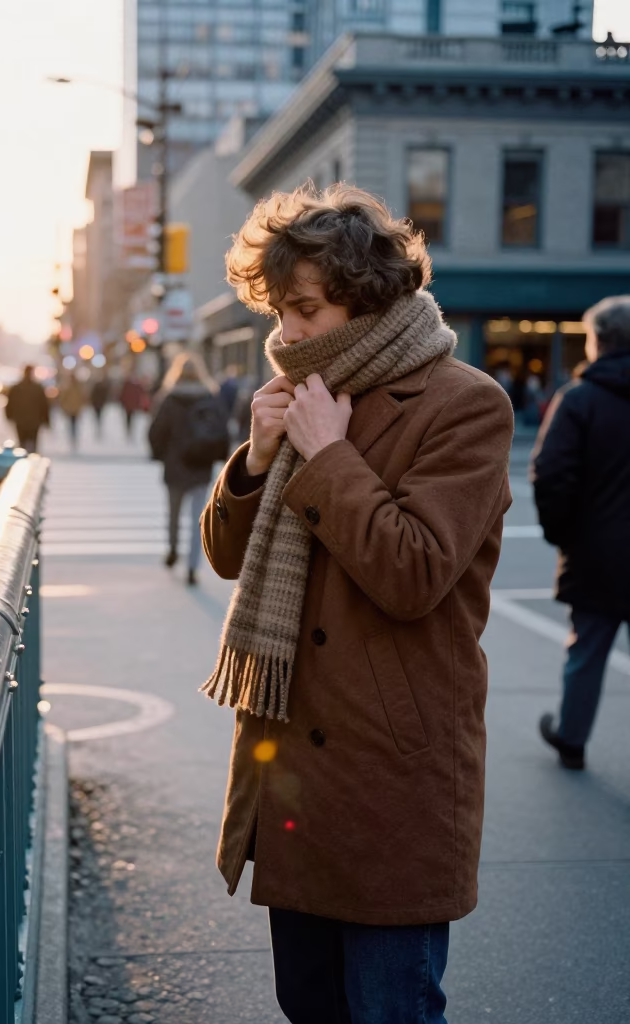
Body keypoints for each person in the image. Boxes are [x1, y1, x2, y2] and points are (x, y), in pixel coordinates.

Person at [199, 185, 513, 1023]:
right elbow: (229, 559)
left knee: (390, 1010)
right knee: (309, 1005)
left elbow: (414, 573)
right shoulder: (300, 397)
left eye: (304, 309)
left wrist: (329, 455)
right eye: (279, 310)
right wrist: (258, 460)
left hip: (390, 776)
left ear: (366, 296)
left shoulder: (465, 404)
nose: (285, 333)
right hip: (295, 772)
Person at [531, 295, 630, 771]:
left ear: (597, 342)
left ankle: (572, 738)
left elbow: (551, 474)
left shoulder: (580, 400)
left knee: (587, 649)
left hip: (599, 551)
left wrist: (563, 534)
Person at [148, 352, 228, 586]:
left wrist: (160, 455)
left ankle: (172, 548)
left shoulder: (169, 398)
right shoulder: (210, 396)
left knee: (173, 514)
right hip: (201, 465)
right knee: (198, 519)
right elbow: (222, 430)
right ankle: (193, 567)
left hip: (174, 465)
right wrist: (219, 457)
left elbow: (156, 431)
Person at [4, 365, 50, 453]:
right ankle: (32, 459)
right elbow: (44, 406)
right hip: (34, 421)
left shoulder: (16, 388)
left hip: (21, 421)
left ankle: (25, 459)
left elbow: (10, 404)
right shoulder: (37, 388)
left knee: (22, 444)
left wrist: (9, 416)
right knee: (33, 443)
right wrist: (46, 420)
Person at [57, 374, 85, 453]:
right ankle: (72, 438)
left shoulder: (77, 388)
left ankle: (74, 438)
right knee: (71, 425)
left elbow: (81, 398)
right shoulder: (68, 388)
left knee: (74, 425)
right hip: (70, 409)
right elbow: (63, 398)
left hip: (74, 409)